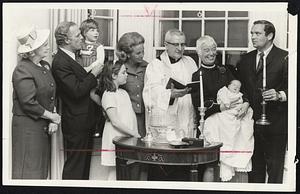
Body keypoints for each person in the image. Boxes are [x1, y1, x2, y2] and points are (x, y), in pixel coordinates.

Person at [191, 35, 250, 182]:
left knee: (237, 161)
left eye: (213, 49)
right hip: (213, 123)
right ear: (199, 53)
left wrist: (246, 103)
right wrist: (221, 107)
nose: (211, 53)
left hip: (233, 122)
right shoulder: (196, 75)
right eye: (206, 50)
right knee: (211, 164)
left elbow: (242, 90)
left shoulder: (226, 70)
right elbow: (199, 103)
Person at [236, 20, 288, 183]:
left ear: (270, 35)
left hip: (276, 124)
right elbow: (241, 87)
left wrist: (280, 95)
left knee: (275, 171)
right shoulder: (245, 59)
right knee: (255, 171)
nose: (253, 37)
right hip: (251, 124)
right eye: (252, 33)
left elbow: (294, 87)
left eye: (257, 33)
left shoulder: (285, 57)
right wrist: (244, 100)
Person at [143, 29, 197, 181]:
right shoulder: (156, 65)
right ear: (165, 45)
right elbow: (150, 92)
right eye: (175, 44)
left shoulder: (190, 62)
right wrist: (170, 95)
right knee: (163, 169)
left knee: (184, 171)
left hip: (186, 118)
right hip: (165, 125)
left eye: (182, 44)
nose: (180, 48)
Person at [52, 21, 103, 179]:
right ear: (67, 40)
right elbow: (76, 91)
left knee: (82, 169)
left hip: (83, 122)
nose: (82, 37)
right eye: (78, 35)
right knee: (75, 168)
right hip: (76, 124)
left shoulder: (71, 57)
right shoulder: (60, 62)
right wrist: (94, 74)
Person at [12, 26, 61, 179]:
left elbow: (51, 95)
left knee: (40, 171)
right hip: (28, 129)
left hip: (42, 127)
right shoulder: (22, 69)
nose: (48, 47)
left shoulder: (45, 66)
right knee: (29, 170)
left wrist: (52, 117)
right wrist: (52, 117)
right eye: (44, 45)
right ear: (32, 51)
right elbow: (28, 103)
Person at [203, 79, 254, 182]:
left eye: (238, 87)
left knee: (245, 120)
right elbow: (222, 100)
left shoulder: (240, 94)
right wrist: (227, 103)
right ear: (228, 85)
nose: (236, 88)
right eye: (234, 85)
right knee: (213, 122)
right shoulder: (223, 91)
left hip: (236, 112)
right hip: (225, 110)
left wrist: (244, 104)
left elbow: (242, 101)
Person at [98, 60, 140, 180]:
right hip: (115, 138)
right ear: (113, 75)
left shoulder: (123, 93)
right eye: (123, 72)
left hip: (126, 138)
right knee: (115, 172)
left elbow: (130, 117)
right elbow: (115, 121)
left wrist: (133, 134)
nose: (126, 75)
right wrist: (133, 133)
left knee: (125, 172)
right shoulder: (109, 95)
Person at [116, 32, 148, 137]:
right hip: (125, 120)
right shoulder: (118, 70)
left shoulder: (147, 67)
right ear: (127, 54)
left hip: (145, 119)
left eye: (143, 51)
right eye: (138, 53)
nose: (142, 55)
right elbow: (104, 93)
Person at [78, 18, 105, 138]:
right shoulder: (80, 44)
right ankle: (86, 127)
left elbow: (100, 61)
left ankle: (98, 126)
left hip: (94, 79)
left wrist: (88, 69)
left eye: (97, 30)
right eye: (92, 30)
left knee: (95, 101)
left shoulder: (99, 47)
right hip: (81, 79)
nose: (96, 33)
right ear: (84, 33)